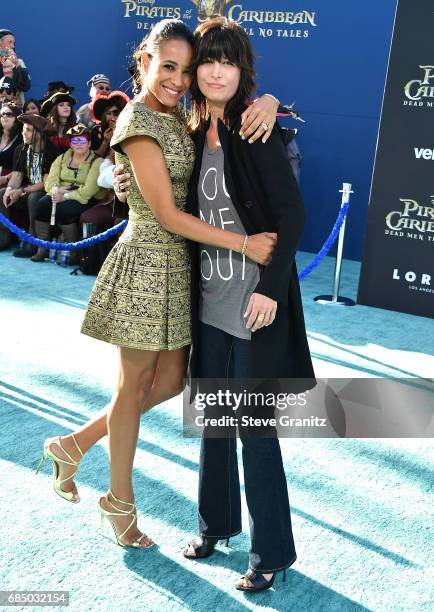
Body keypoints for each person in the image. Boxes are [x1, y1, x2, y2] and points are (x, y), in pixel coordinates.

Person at [35, 18, 279, 553]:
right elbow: (166, 214)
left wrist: (270, 100)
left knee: (170, 383)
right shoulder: (139, 120)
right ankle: (118, 503)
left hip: (182, 269)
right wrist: (242, 245)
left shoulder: (180, 115)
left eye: (186, 70)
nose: (178, 78)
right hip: (147, 265)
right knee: (130, 389)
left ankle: (73, 444)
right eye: (168, 66)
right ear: (144, 62)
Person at [179, 17, 315, 593]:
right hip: (207, 302)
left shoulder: (256, 130)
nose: (215, 70)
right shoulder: (188, 132)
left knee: (255, 432)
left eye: (227, 61)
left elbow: (293, 216)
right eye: (206, 60)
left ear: (242, 71)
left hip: (254, 304)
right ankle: (216, 526)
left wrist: (268, 290)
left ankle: (272, 553)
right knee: (213, 422)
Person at [31, 124, 107, 263]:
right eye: (74, 141)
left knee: (66, 210)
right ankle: (43, 248)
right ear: (70, 144)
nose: (78, 144)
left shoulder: (97, 162)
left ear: (89, 143)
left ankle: (72, 252)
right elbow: (50, 182)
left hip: (85, 198)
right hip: (60, 192)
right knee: (41, 204)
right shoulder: (61, 159)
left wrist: (64, 196)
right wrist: (57, 191)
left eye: (82, 140)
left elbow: (88, 191)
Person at [0, 113, 57, 255]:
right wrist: (9, 189)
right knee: (1, 194)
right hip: (26, 189)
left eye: (29, 130)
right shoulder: (21, 149)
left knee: (34, 197)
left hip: (48, 193)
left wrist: (21, 191)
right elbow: (17, 176)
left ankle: (33, 243)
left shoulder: (52, 152)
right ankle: (4, 238)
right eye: (23, 129)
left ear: (40, 133)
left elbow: (45, 183)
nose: (23, 133)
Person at [89, 90, 130, 158]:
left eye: (116, 113)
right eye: (108, 113)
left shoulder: (127, 130)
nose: (112, 117)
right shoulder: (96, 131)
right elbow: (93, 159)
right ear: (104, 116)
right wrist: (105, 142)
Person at [0, 28, 30, 108]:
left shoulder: (19, 62)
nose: (13, 46)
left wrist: (17, 65)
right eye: (10, 42)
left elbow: (25, 86)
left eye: (14, 43)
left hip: (15, 110)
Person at [0, 103, 22, 188]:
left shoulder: (22, 138)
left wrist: (6, 178)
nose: (4, 116)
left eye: (8, 114)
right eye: (2, 114)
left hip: (12, 182)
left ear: (16, 117)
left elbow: (23, 167)